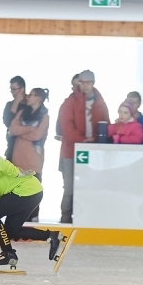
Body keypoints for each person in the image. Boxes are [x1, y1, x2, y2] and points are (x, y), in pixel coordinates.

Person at [58, 70, 109, 223]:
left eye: (88, 82)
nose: (85, 85)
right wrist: (83, 140)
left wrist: (97, 142)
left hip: (92, 152)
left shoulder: (100, 103)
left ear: (93, 83)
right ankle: (65, 220)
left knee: (90, 187)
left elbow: (106, 124)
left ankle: (86, 219)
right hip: (70, 151)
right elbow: (66, 126)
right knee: (69, 188)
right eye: (82, 82)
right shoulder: (69, 102)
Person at [8, 87, 50, 222]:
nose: (28, 97)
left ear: (39, 98)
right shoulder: (21, 113)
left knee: (33, 190)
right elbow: (12, 129)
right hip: (18, 157)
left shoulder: (44, 116)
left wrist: (21, 133)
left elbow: (38, 135)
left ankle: (33, 218)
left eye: (32, 95)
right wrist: (29, 129)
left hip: (33, 159)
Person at [3, 76, 27, 159]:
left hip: (27, 148)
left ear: (22, 89)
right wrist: (16, 102)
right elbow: (8, 122)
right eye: (11, 89)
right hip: (12, 146)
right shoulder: (9, 105)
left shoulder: (30, 104)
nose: (12, 92)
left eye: (14, 89)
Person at [54, 73, 79, 141]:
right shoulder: (66, 104)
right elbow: (59, 129)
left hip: (92, 144)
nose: (76, 88)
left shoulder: (96, 103)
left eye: (78, 85)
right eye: (74, 85)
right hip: (70, 143)